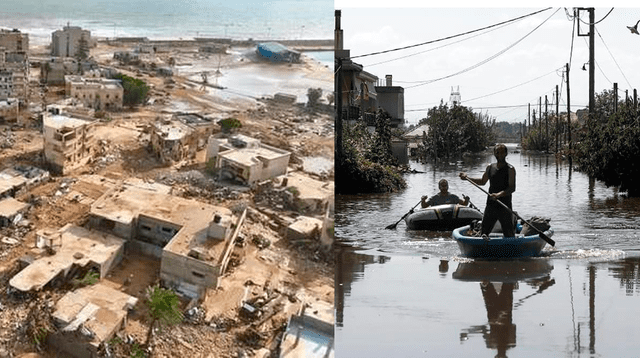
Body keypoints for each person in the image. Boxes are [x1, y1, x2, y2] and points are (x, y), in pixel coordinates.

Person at [459, 143, 516, 237]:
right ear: (494, 154)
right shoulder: (490, 167)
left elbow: (512, 188)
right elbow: (482, 181)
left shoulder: (510, 169)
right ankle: (483, 245)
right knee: (484, 232)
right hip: (491, 205)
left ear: (506, 154)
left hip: (504, 205)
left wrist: (498, 195)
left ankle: (510, 247)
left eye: (502, 153)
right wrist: (467, 178)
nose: (500, 155)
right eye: (498, 153)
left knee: (509, 234)